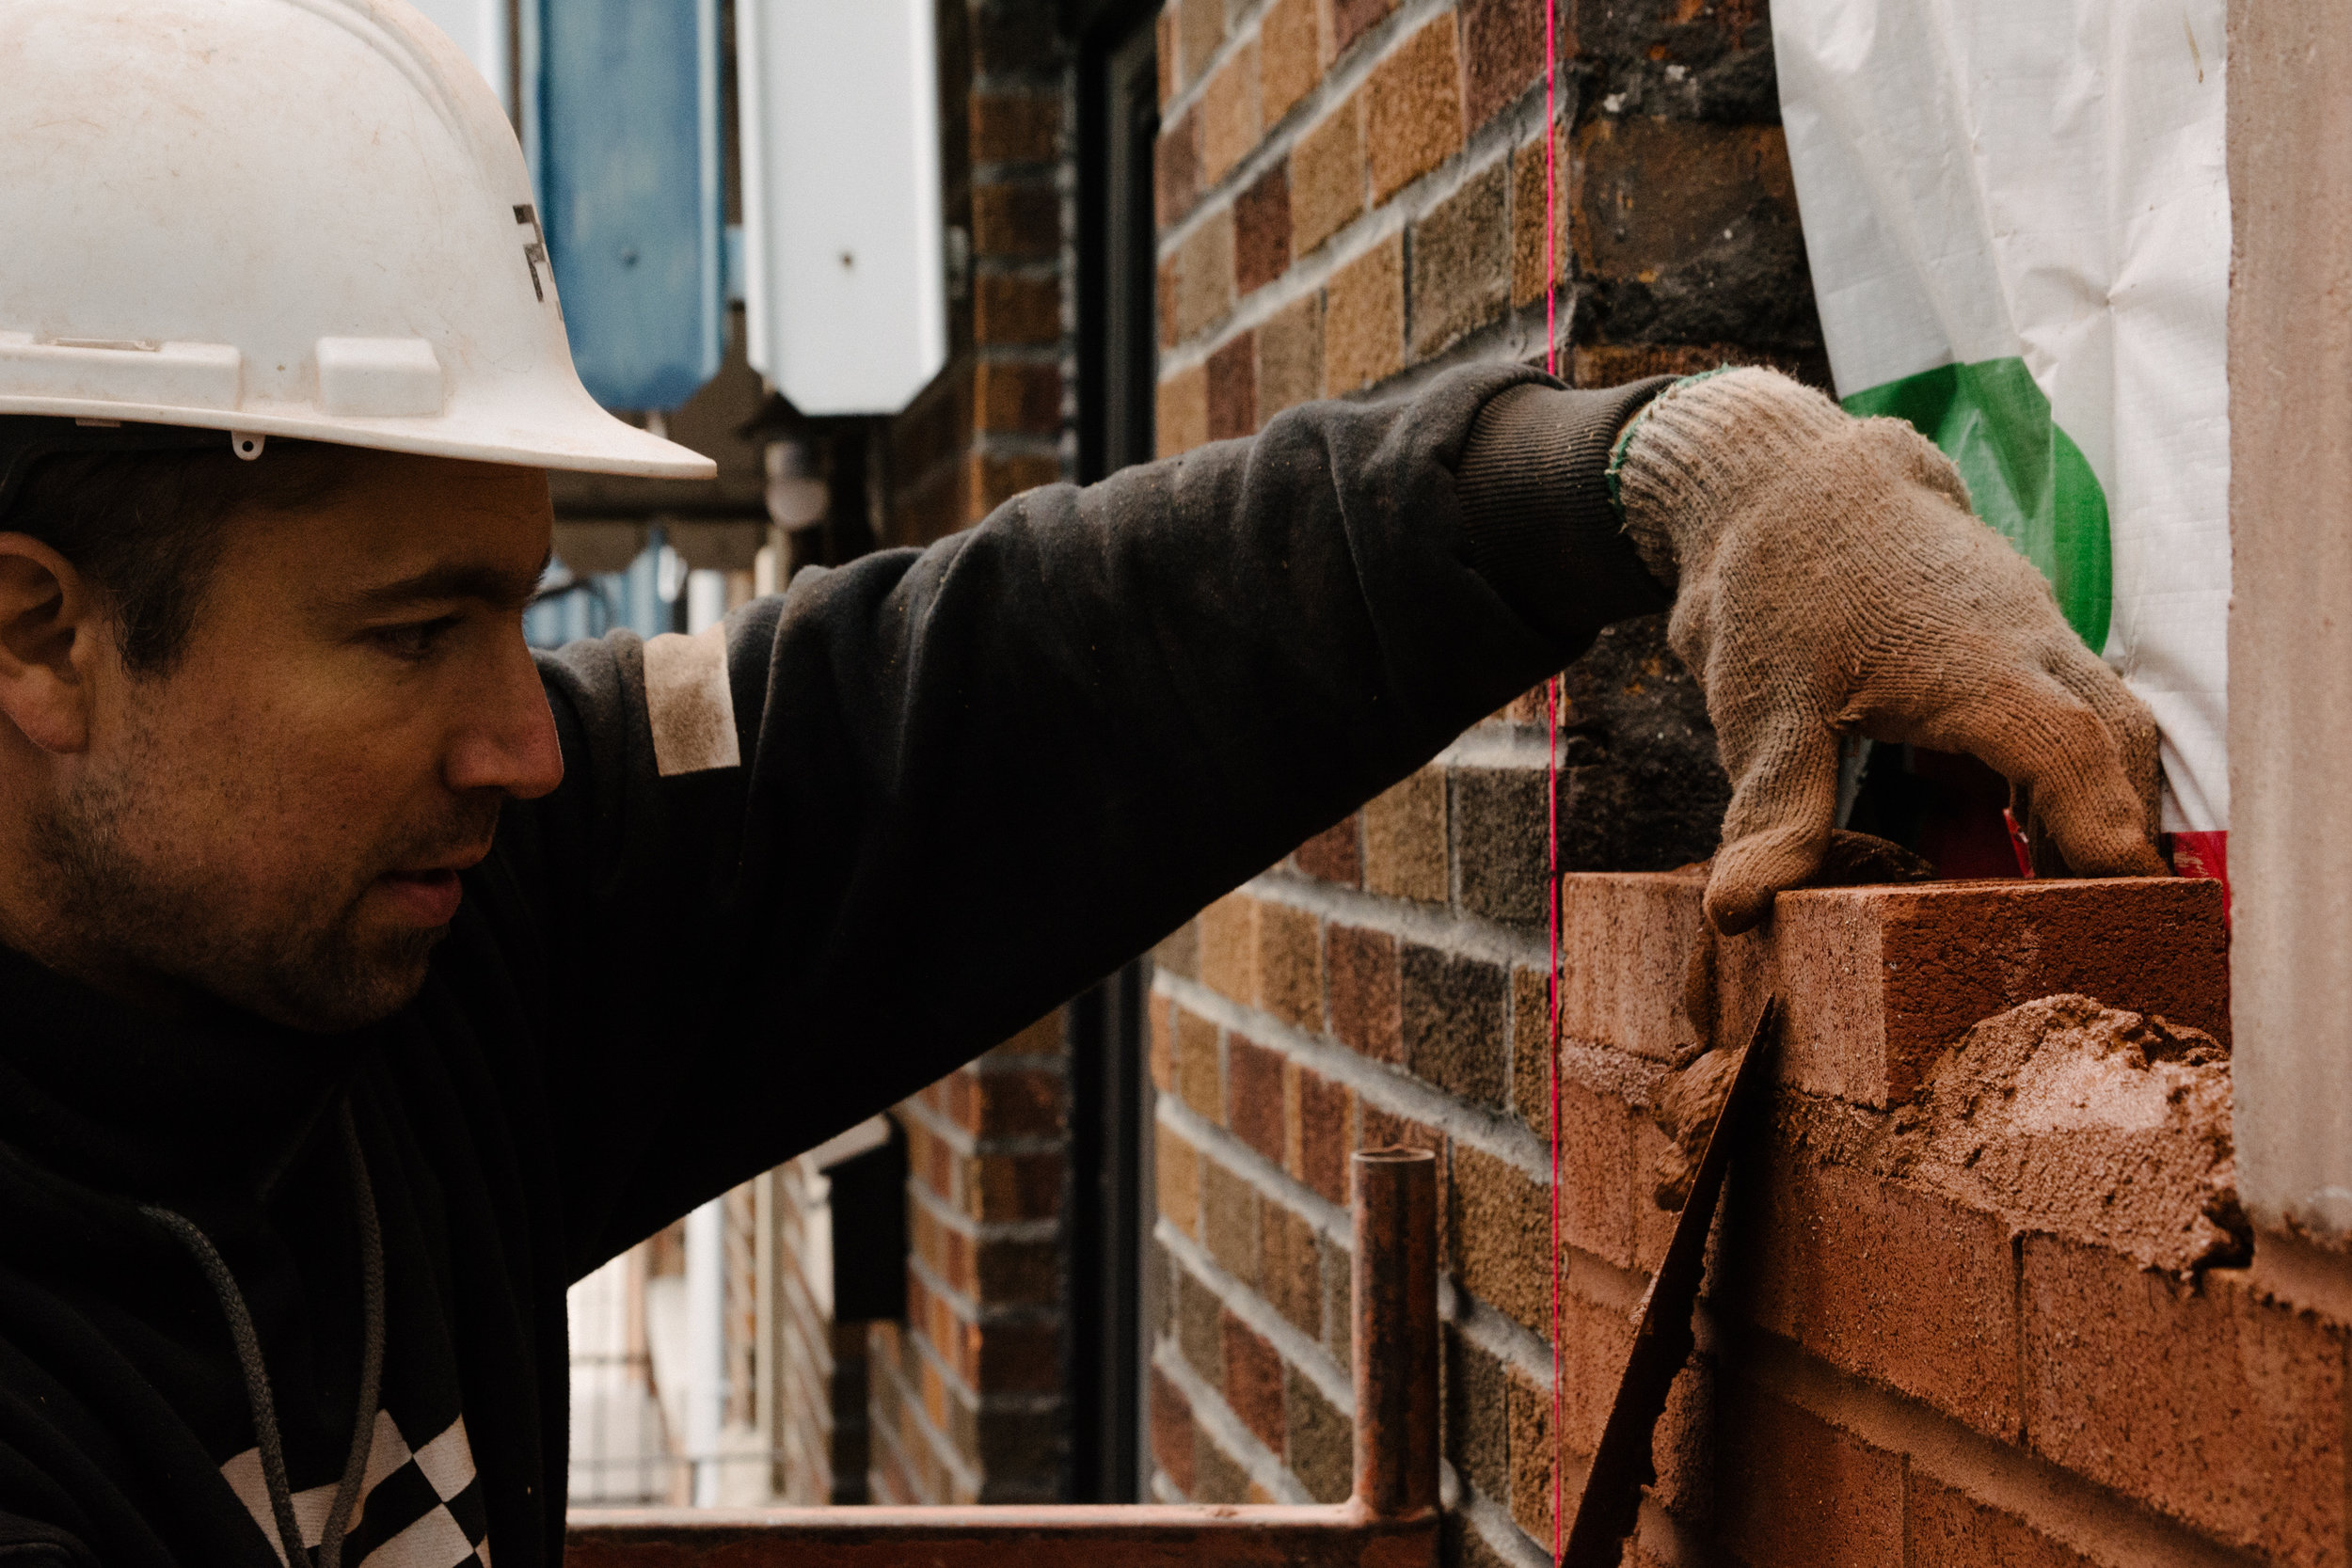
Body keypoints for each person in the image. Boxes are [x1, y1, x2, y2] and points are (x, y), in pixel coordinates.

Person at [0, 3, 2165, 1564]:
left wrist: (1660, 470)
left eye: (516, 612)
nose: (515, 735)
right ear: (34, 631)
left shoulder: (416, 925)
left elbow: (1008, 686)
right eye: (404, 638)